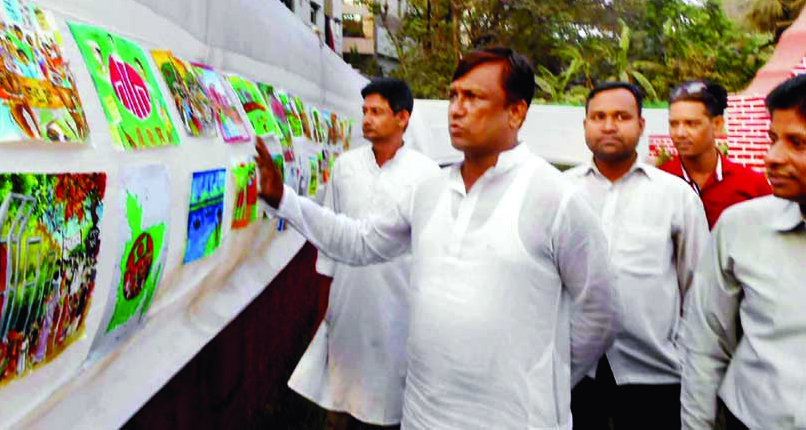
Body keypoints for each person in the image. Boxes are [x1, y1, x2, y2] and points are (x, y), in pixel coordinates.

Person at [255, 47, 617, 429]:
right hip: (424, 416)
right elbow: (360, 243)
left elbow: (599, 314)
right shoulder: (429, 189)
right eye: (453, 96)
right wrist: (284, 200)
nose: (457, 109)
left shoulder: (557, 197)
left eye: (473, 97)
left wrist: (546, 375)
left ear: (516, 112)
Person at [287, 78, 438, 430]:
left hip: (398, 310)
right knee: (340, 399)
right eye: (365, 111)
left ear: (402, 118)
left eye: (377, 112)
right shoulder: (345, 167)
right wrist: (325, 308)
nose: (367, 119)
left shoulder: (427, 176)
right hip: (348, 304)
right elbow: (329, 241)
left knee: (390, 405)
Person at [565, 82, 709, 429]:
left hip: (655, 376)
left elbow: (699, 290)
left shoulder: (676, 196)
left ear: (641, 126)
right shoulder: (559, 192)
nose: (610, 125)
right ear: (585, 124)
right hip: (573, 375)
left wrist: (685, 356)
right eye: (598, 116)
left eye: (621, 116)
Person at [679, 74, 806, 429]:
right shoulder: (740, 228)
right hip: (750, 418)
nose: (773, 157)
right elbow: (705, 344)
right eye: (773, 139)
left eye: (797, 143)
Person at [661, 80, 772, 228]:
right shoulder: (658, 183)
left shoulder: (752, 185)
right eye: (674, 124)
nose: (680, 133)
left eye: (691, 124)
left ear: (717, 125)